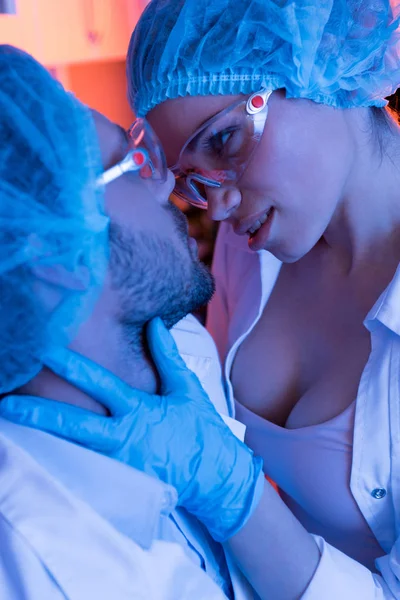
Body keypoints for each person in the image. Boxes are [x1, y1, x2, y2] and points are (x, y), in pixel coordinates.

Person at [4, 0, 400, 597]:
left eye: (222, 141)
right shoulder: (253, 247)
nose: (209, 204)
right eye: (187, 175)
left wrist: (233, 493)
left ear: (320, 66)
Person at [0, 44, 252, 600]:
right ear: (49, 255)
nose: (169, 187)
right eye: (130, 163)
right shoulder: (45, 562)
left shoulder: (178, 349)